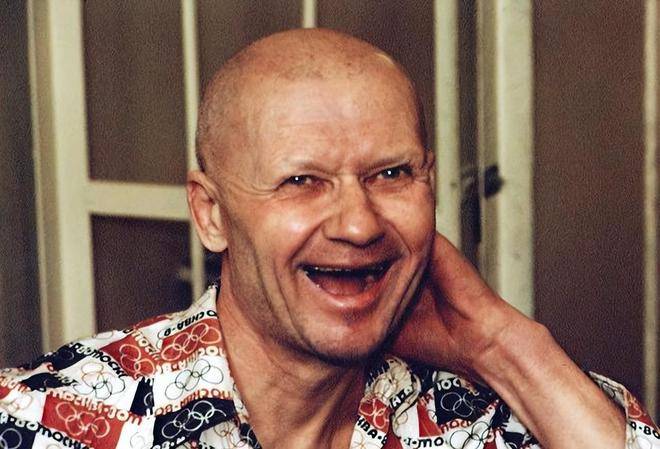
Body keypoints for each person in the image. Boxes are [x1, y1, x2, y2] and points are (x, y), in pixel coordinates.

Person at [0, 28, 657, 449]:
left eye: (392, 174)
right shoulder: (43, 423)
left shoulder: (493, 420)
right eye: (301, 181)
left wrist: (503, 344)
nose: (358, 224)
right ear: (211, 213)